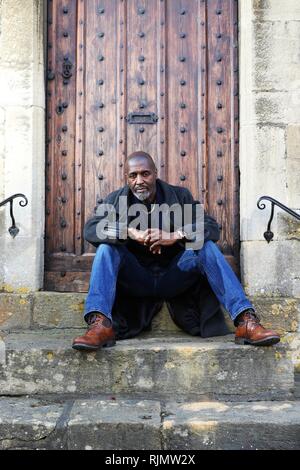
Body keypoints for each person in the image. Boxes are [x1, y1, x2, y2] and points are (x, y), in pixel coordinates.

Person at [72, 151, 280, 351]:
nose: (139, 180)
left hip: (174, 276)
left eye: (145, 174)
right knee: (107, 249)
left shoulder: (179, 196)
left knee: (204, 246)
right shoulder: (115, 200)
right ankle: (99, 325)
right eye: (133, 175)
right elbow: (92, 229)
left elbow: (210, 226)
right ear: (126, 178)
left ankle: (245, 320)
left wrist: (175, 235)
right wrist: (129, 232)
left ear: (155, 173)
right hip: (137, 279)